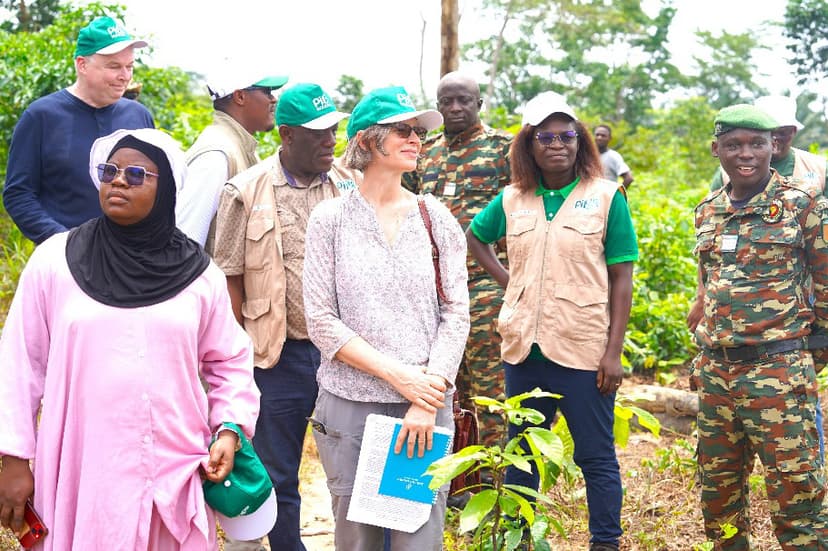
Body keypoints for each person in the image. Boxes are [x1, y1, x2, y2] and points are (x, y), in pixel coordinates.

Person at [0, 128, 260, 550]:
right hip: (84, 465)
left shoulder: (199, 274)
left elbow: (229, 361)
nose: (119, 181)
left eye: (137, 174)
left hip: (176, 465)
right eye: (110, 171)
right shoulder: (55, 261)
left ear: (167, 189)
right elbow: (19, 364)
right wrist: (13, 458)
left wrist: (229, 429)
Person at [467, 92, 638, 551]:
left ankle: (606, 542)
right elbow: (476, 237)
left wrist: (613, 351)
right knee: (521, 454)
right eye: (546, 137)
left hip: (583, 349)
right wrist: (513, 283)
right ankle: (517, 541)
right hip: (524, 350)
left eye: (567, 135)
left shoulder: (606, 197)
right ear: (530, 144)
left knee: (596, 456)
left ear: (580, 142)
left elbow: (622, 277)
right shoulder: (511, 199)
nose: (557, 144)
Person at [303, 86, 470, 550]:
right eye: (402, 129)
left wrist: (424, 397)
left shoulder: (435, 217)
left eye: (417, 131)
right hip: (351, 406)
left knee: (417, 535)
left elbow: (456, 314)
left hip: (422, 411)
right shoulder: (330, 220)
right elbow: (321, 320)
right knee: (359, 539)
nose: (415, 138)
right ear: (367, 141)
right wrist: (400, 377)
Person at [212, 82, 359, 551]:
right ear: (287, 135)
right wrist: (238, 358)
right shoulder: (246, 191)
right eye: (317, 133)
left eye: (333, 130)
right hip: (278, 357)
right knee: (279, 472)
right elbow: (229, 277)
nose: (329, 140)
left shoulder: (347, 185)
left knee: (353, 466)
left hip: (344, 354)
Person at [691, 104, 828, 550]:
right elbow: (709, 282)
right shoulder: (707, 211)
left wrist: (811, 351)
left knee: (798, 497)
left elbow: (826, 283)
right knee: (719, 498)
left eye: (755, 143)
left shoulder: (802, 205)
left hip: (778, 373)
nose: (744, 154)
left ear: (775, 145)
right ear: (717, 150)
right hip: (716, 375)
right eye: (732, 145)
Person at [404, 71, 512, 450]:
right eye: (446, 101)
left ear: (479, 103)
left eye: (463, 100)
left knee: (493, 394)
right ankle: (459, 488)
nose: (454, 108)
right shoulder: (424, 152)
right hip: (434, 294)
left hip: (486, 289)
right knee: (448, 394)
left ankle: (503, 492)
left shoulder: (504, 150)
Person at [3, 15, 154, 245]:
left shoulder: (139, 116)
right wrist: (64, 241)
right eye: (114, 66)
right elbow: (18, 194)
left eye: (129, 66)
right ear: (82, 64)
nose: (124, 76)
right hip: (64, 260)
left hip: (129, 257)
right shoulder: (41, 116)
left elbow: (155, 186)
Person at [176, 68, 288, 250]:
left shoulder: (239, 146)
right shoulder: (217, 156)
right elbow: (185, 241)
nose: (273, 99)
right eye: (266, 91)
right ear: (240, 97)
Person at [709, 95, 826, 192]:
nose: (776, 137)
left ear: (793, 131)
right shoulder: (726, 175)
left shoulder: (819, 168)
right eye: (770, 132)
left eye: (783, 131)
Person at [594, 124, 633, 188]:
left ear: (610, 138)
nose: (599, 137)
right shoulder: (588, 155)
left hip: (607, 196)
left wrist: (617, 194)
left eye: (603, 136)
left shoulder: (613, 156)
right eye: (597, 135)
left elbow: (629, 178)